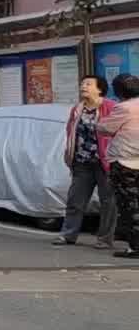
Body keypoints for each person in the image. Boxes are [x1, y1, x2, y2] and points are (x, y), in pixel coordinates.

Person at [56, 74, 117, 247]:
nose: (83, 86)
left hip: (105, 162)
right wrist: (70, 154)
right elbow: (70, 132)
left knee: (108, 202)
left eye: (88, 84)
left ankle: (104, 239)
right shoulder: (77, 109)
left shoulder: (111, 107)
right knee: (75, 200)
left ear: (99, 89)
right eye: (82, 83)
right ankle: (68, 235)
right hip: (82, 162)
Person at [99, 73, 139, 259]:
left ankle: (135, 246)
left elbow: (105, 128)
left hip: (125, 161)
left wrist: (100, 124)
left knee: (129, 205)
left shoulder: (124, 108)